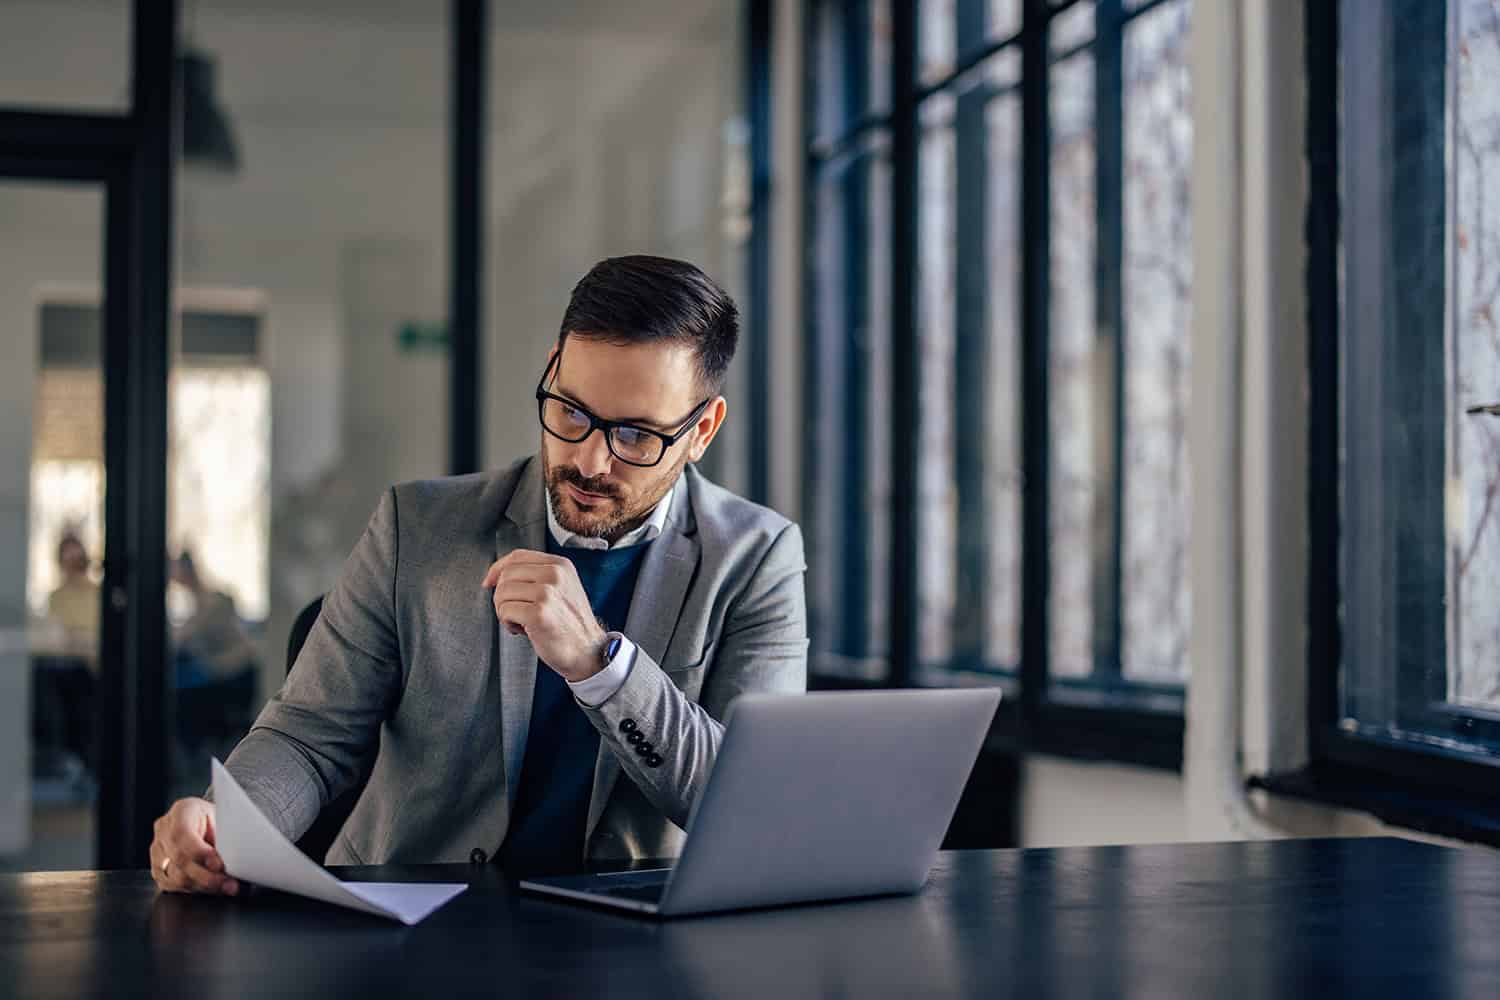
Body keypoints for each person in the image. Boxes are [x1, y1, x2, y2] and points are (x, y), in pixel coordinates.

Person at [149, 255, 808, 895]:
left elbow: (755, 808)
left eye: (635, 435)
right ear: (552, 370)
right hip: (411, 921)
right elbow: (311, 734)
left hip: (623, 939)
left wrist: (601, 666)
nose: (589, 459)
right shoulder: (418, 526)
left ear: (702, 430)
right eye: (571, 411)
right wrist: (225, 826)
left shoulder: (756, 560)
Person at [169, 550, 260, 759]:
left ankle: (193, 753)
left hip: (233, 672)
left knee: (180, 693)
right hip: (227, 669)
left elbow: (186, 636)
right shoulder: (202, 599)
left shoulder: (210, 600)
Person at [46, 532, 100, 663]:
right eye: (69, 561)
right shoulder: (56, 597)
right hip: (69, 664)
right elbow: (57, 638)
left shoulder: (98, 593)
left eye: (77, 561)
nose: (74, 567)